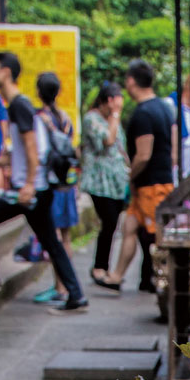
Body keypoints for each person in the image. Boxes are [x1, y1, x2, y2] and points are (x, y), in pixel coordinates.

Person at [0, 51, 88, 314]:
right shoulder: (19, 106)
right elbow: (23, 149)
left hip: (33, 190)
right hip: (36, 189)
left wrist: (29, 186)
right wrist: (1, 162)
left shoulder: (20, 106)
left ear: (6, 73)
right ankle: (76, 295)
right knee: (51, 242)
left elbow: (33, 149)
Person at [96, 59, 177, 293]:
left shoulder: (143, 113)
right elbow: (173, 149)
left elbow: (143, 154)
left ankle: (162, 280)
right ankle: (117, 276)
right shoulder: (164, 108)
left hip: (151, 185)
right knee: (129, 228)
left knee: (156, 237)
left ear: (131, 82)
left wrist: (131, 175)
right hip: (156, 182)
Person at [32, 72, 79, 304]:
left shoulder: (40, 118)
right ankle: (64, 284)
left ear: (38, 92)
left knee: (54, 237)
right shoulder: (64, 117)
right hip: (66, 183)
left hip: (49, 182)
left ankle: (60, 286)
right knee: (65, 236)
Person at [81, 81, 129, 288]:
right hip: (99, 182)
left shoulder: (111, 120)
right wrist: (116, 115)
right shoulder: (92, 119)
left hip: (117, 183)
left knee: (112, 224)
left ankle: (104, 267)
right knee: (108, 222)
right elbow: (107, 141)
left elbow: (120, 146)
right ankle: (99, 267)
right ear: (109, 101)